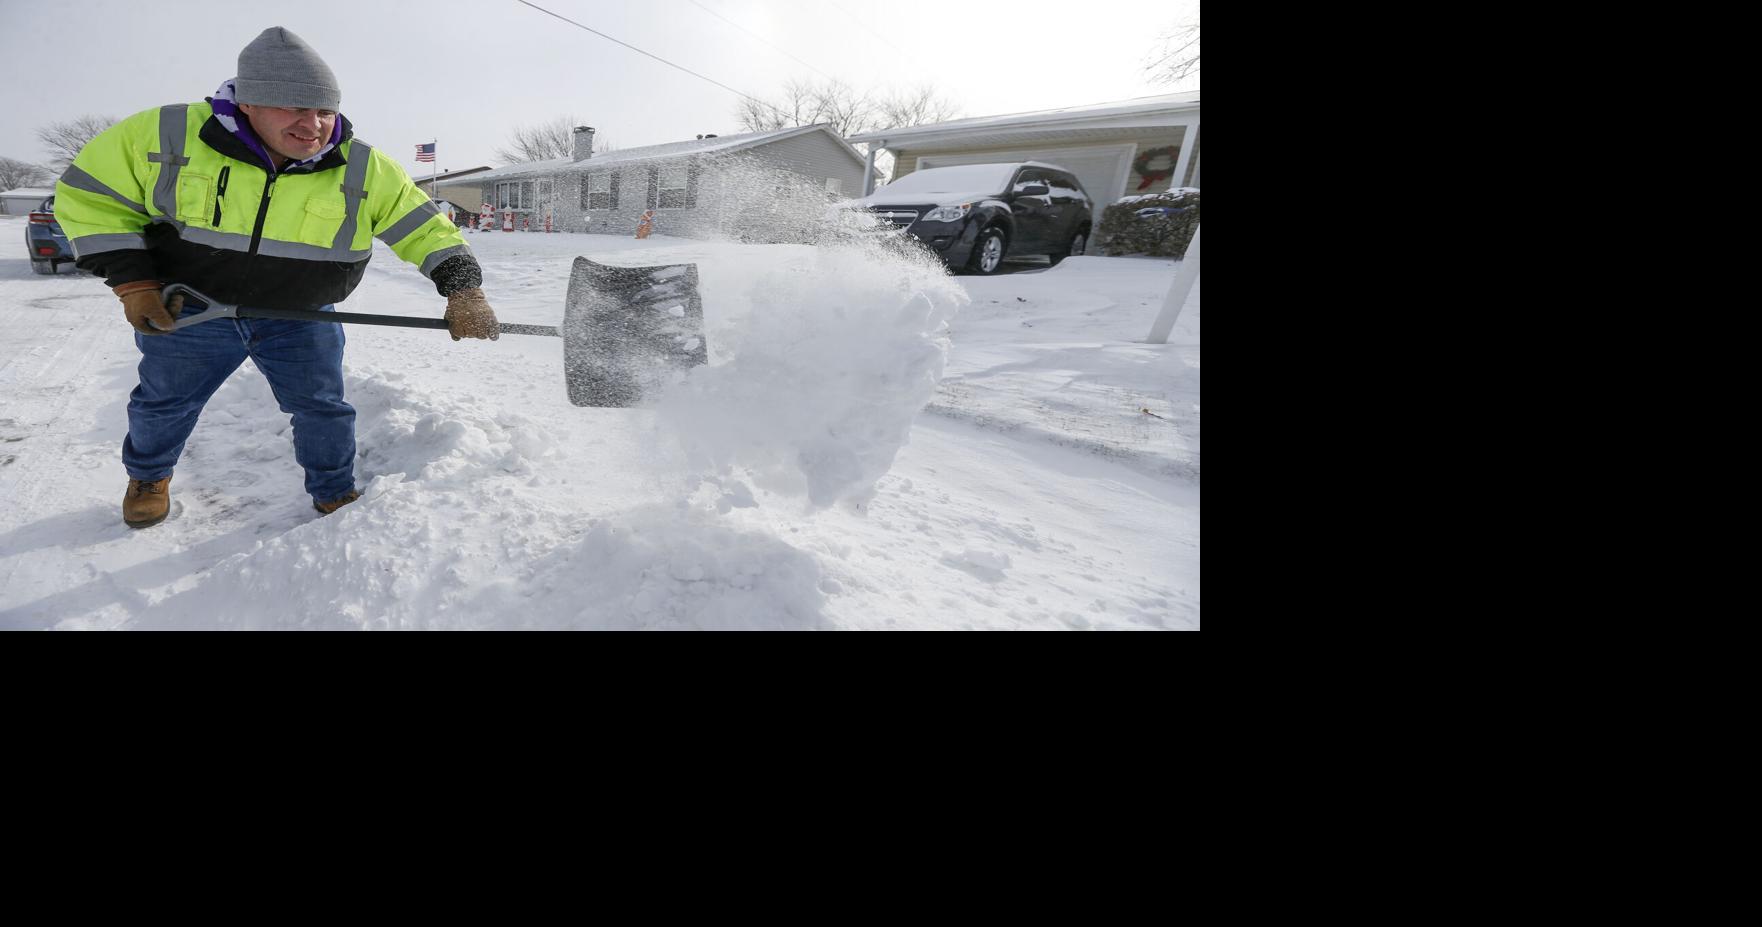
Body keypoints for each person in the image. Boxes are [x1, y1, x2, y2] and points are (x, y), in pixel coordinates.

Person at [55, 27, 499, 529]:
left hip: (300, 317)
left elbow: (423, 228)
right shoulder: (165, 133)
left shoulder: (360, 165)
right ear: (248, 104)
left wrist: (465, 288)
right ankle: (149, 477)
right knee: (163, 403)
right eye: (294, 109)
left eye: (325, 111)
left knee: (323, 408)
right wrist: (133, 283)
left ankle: (333, 492)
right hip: (193, 308)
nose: (314, 126)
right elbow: (91, 199)